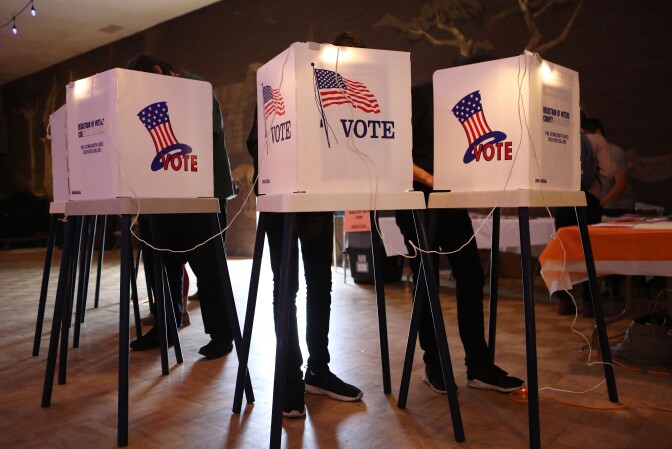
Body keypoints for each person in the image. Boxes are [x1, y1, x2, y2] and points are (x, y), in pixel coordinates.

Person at [245, 33, 365, 418]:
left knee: (321, 284)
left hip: (317, 201)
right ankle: (289, 379)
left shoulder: (339, 92)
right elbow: (255, 140)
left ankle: (318, 370)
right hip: (282, 201)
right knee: (288, 288)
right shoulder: (288, 79)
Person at [395, 53, 524, 394]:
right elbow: (392, 150)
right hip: (416, 202)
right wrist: (429, 178)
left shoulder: (464, 104)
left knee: (471, 275)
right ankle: (433, 365)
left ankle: (478, 367)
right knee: (427, 282)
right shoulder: (420, 95)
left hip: (449, 203)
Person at [127, 54, 236, 359]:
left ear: (158, 71)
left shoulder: (194, 86)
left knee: (208, 268)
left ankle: (222, 334)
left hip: (201, 193)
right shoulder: (162, 94)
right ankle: (166, 327)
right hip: (164, 190)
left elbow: (204, 134)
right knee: (163, 262)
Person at [554, 113, 616, 316]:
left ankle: (564, 301)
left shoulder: (556, 137)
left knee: (563, 251)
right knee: (589, 250)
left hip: (562, 200)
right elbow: (608, 172)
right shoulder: (597, 140)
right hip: (588, 200)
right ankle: (590, 304)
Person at [582, 119, 636, 217]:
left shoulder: (615, 152)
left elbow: (621, 183)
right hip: (603, 207)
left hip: (620, 209)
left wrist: (601, 203)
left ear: (598, 133)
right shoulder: (587, 152)